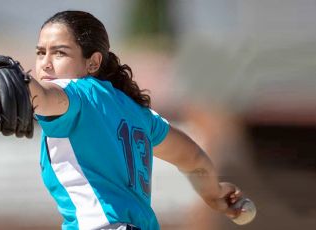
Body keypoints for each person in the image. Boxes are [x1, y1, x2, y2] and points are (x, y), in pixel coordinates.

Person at [27, 10, 244, 230]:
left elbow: (42, 96)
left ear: (93, 63)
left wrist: (13, 77)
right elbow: (193, 157)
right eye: (40, 52)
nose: (45, 63)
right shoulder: (137, 112)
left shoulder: (74, 94)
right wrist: (214, 193)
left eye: (59, 53)